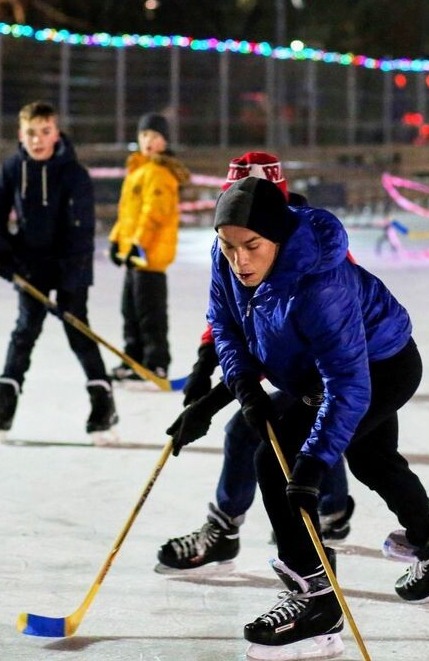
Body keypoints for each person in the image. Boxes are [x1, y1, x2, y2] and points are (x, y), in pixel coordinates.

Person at [166, 177, 429, 660]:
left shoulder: (320, 284)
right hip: (318, 372)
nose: (239, 260)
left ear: (277, 237)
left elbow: (348, 383)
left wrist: (315, 463)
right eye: (228, 246)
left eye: (252, 246)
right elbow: (227, 326)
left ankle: (315, 605)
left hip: (380, 366)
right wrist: (239, 390)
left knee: (278, 460)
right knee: (373, 459)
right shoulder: (228, 257)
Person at [156, 153, 353, 574]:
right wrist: (204, 365)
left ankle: (331, 512)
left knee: (303, 424)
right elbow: (229, 315)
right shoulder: (235, 241)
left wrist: (217, 399)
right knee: (254, 430)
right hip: (291, 369)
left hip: (329, 371)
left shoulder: (310, 251)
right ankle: (232, 529)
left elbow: (277, 342)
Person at [0, 101, 117, 440]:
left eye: (44, 132)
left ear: (56, 133)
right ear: (20, 134)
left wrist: (72, 277)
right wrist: (3, 251)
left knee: (77, 329)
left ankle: (103, 403)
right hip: (30, 266)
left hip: (72, 263)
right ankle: (6, 401)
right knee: (25, 330)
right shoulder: (12, 168)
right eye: (31, 133)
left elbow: (83, 230)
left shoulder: (74, 174)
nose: (37, 140)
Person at [107, 113, 190, 382]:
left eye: (155, 136)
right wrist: (116, 240)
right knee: (130, 311)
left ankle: (156, 362)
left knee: (150, 314)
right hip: (134, 255)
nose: (148, 141)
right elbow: (127, 214)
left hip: (150, 257)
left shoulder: (160, 173)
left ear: (165, 142)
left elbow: (153, 215)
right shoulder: (138, 171)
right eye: (144, 135)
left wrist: (137, 245)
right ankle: (133, 359)